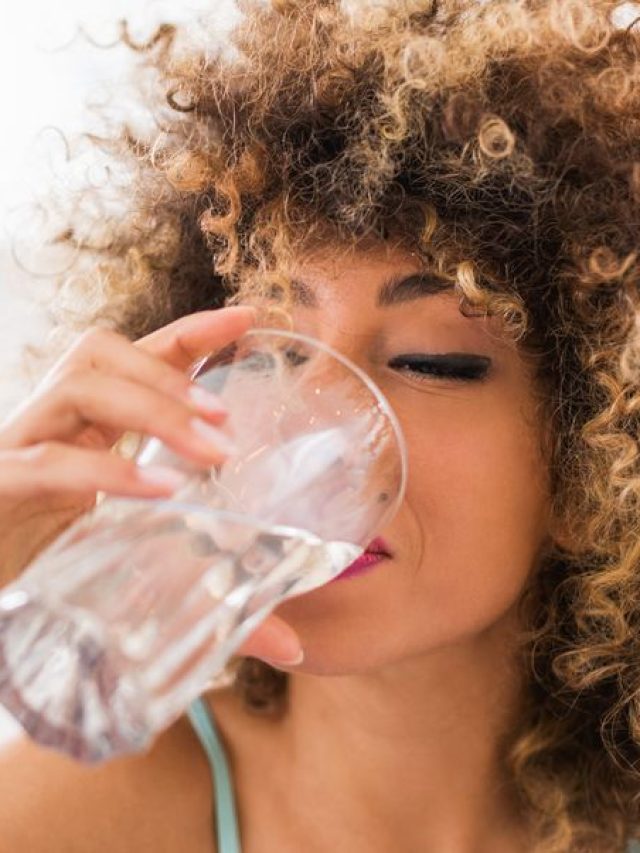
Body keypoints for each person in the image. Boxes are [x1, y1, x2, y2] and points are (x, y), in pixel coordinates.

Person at [1, 0, 639, 849]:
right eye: (270, 353)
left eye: (429, 362)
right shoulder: (81, 809)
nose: (307, 433)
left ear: (592, 467)